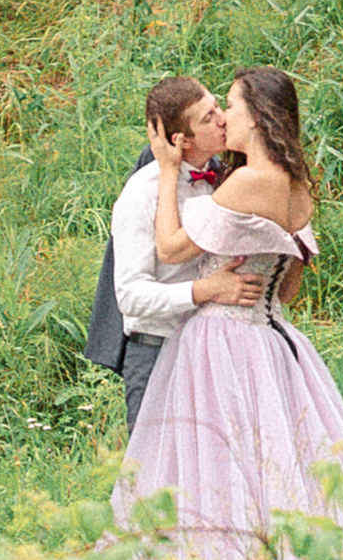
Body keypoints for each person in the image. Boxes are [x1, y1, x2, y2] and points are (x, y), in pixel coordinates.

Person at [111, 64, 343, 560]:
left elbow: (172, 246)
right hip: (274, 337)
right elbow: (286, 287)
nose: (223, 119)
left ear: (258, 118)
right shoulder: (298, 188)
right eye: (213, 112)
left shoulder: (244, 183)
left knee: (209, 471)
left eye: (230, 107)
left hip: (219, 340)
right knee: (283, 463)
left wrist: (168, 169)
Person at [81, 76, 267, 440]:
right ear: (181, 141)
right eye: (206, 118)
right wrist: (204, 290)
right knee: (157, 486)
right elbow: (131, 297)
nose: (221, 119)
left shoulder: (227, 180)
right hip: (157, 354)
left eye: (217, 107)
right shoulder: (143, 193)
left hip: (217, 351)